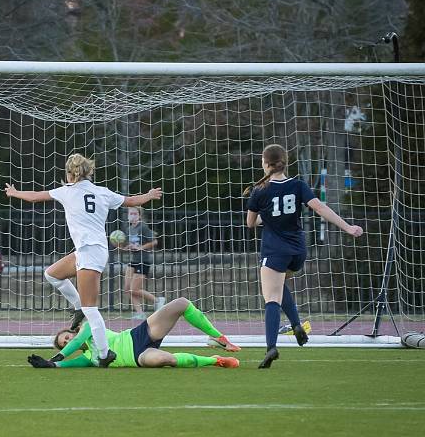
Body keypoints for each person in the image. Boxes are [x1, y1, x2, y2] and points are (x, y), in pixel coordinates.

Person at [5, 153, 162, 367]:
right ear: (89, 172)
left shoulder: (67, 191)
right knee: (52, 274)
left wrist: (14, 193)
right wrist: (149, 194)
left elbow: (35, 197)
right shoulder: (102, 192)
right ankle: (78, 305)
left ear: (70, 173)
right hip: (88, 251)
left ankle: (105, 354)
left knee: (91, 309)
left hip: (90, 252)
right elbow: (131, 201)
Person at [244, 144, 363, 369]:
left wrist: (265, 217)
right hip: (298, 250)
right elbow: (320, 208)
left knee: (271, 298)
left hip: (275, 250)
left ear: (265, 163)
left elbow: (250, 223)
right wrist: (347, 227)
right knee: (279, 286)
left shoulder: (260, 190)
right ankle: (297, 325)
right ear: (284, 162)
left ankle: (271, 347)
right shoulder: (298, 185)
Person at [27, 297, 241, 369]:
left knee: (181, 304)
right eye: (63, 343)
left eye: (66, 337)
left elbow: (76, 342)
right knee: (168, 360)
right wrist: (53, 364)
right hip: (139, 357)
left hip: (137, 335)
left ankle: (219, 337)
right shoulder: (89, 358)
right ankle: (215, 360)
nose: (67, 341)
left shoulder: (89, 329)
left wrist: (57, 355)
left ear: (71, 333)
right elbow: (68, 365)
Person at [114, 206, 165, 320]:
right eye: (130, 213)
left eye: (134, 213)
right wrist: (123, 246)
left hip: (143, 260)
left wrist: (141, 247)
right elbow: (129, 245)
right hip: (133, 260)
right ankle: (140, 313)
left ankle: (157, 300)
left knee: (134, 289)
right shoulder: (128, 229)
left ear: (139, 215)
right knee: (127, 289)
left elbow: (154, 241)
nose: (132, 215)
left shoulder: (143, 227)